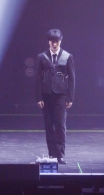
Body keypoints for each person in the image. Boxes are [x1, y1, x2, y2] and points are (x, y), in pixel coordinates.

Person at [35, 29, 75, 164]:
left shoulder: (67, 56)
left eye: (57, 41)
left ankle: (60, 154)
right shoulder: (42, 57)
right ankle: (52, 154)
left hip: (61, 96)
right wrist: (39, 97)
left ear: (60, 41)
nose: (54, 44)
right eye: (52, 41)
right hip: (46, 95)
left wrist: (70, 97)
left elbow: (72, 79)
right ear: (48, 42)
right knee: (48, 125)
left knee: (60, 125)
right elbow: (37, 78)